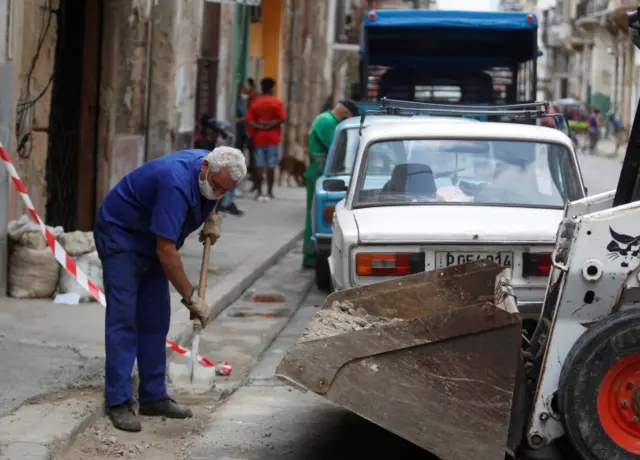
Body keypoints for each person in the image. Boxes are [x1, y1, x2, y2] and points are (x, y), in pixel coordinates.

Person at [94, 146, 247, 433]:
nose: (217, 192)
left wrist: (211, 214)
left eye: (225, 190)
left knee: (155, 318)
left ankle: (153, 395)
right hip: (121, 235)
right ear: (204, 168)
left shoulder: (215, 166)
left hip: (153, 240)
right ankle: (118, 401)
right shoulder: (175, 183)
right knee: (124, 318)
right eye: (215, 186)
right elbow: (166, 252)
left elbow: (207, 195)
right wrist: (191, 297)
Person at [302, 99, 359, 268]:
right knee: (314, 217)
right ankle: (311, 255)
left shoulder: (327, 120)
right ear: (345, 113)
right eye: (348, 119)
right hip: (319, 174)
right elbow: (338, 149)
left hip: (321, 173)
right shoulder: (328, 122)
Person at [246, 77, 287, 201]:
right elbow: (282, 118)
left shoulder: (256, 102)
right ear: (272, 88)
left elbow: (249, 121)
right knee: (271, 164)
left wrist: (260, 126)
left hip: (259, 137)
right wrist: (271, 125)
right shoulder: (277, 102)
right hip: (273, 138)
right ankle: (269, 191)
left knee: (258, 164)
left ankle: (259, 191)